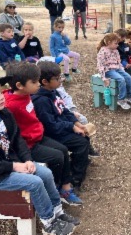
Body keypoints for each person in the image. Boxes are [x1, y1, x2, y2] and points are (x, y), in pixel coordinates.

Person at [0, 74, 79, 235]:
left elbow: (17, 139)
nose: (1, 97)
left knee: (45, 173)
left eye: (0, 92)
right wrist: (15, 166)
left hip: (13, 164)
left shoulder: (3, 114)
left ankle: (57, 211)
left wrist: (27, 159)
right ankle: (49, 223)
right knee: (35, 183)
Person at [4, 62, 82, 205]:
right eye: (34, 82)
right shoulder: (11, 106)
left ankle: (65, 187)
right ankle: (55, 188)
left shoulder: (27, 94)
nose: (38, 84)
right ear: (20, 85)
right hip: (28, 145)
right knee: (57, 156)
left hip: (37, 137)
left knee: (63, 150)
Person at [32, 61, 90, 189]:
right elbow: (50, 125)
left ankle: (80, 161)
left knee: (84, 135)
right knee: (81, 143)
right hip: (53, 133)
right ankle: (76, 178)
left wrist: (76, 123)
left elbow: (64, 110)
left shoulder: (53, 91)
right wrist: (71, 127)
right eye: (57, 78)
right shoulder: (41, 101)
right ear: (44, 82)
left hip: (61, 126)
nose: (60, 80)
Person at [97, 33, 131, 110]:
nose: (117, 45)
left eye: (118, 43)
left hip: (117, 69)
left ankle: (130, 96)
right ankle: (121, 99)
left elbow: (118, 62)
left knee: (128, 77)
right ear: (109, 42)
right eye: (116, 43)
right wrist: (104, 78)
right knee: (121, 79)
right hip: (108, 70)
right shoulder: (102, 51)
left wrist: (122, 71)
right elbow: (100, 65)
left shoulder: (116, 51)